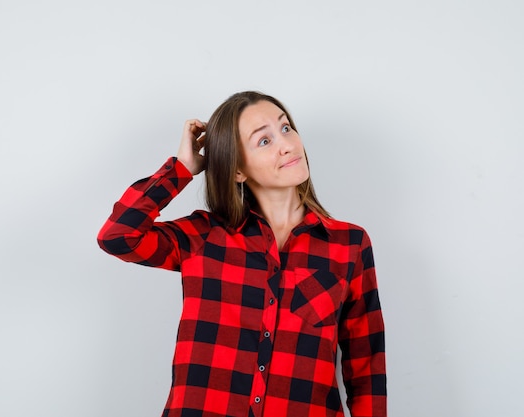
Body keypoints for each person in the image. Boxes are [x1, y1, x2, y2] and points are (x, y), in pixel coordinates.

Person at [97, 91, 386, 417]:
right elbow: (118, 236)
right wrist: (181, 169)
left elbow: (367, 368)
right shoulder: (203, 237)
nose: (287, 144)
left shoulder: (349, 245)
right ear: (237, 170)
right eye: (264, 141)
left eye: (286, 128)